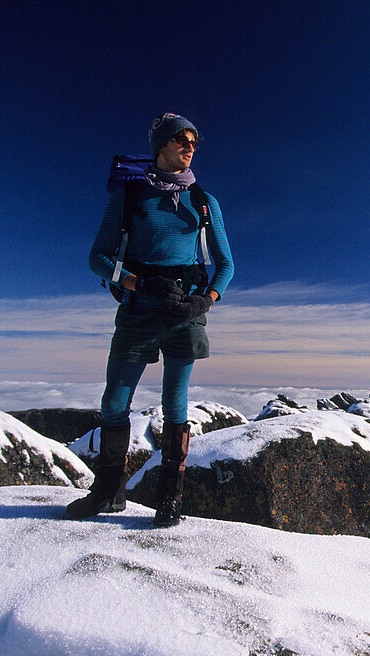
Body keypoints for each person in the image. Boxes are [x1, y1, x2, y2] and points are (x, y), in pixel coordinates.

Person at [66, 112, 234, 527]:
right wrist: (139, 285)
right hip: (139, 309)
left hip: (184, 312)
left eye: (194, 140)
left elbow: (226, 265)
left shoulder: (203, 202)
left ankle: (169, 500)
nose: (190, 145)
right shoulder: (129, 195)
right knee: (114, 403)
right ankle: (108, 492)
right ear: (161, 144)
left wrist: (204, 302)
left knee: (174, 403)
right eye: (181, 138)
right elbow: (98, 259)